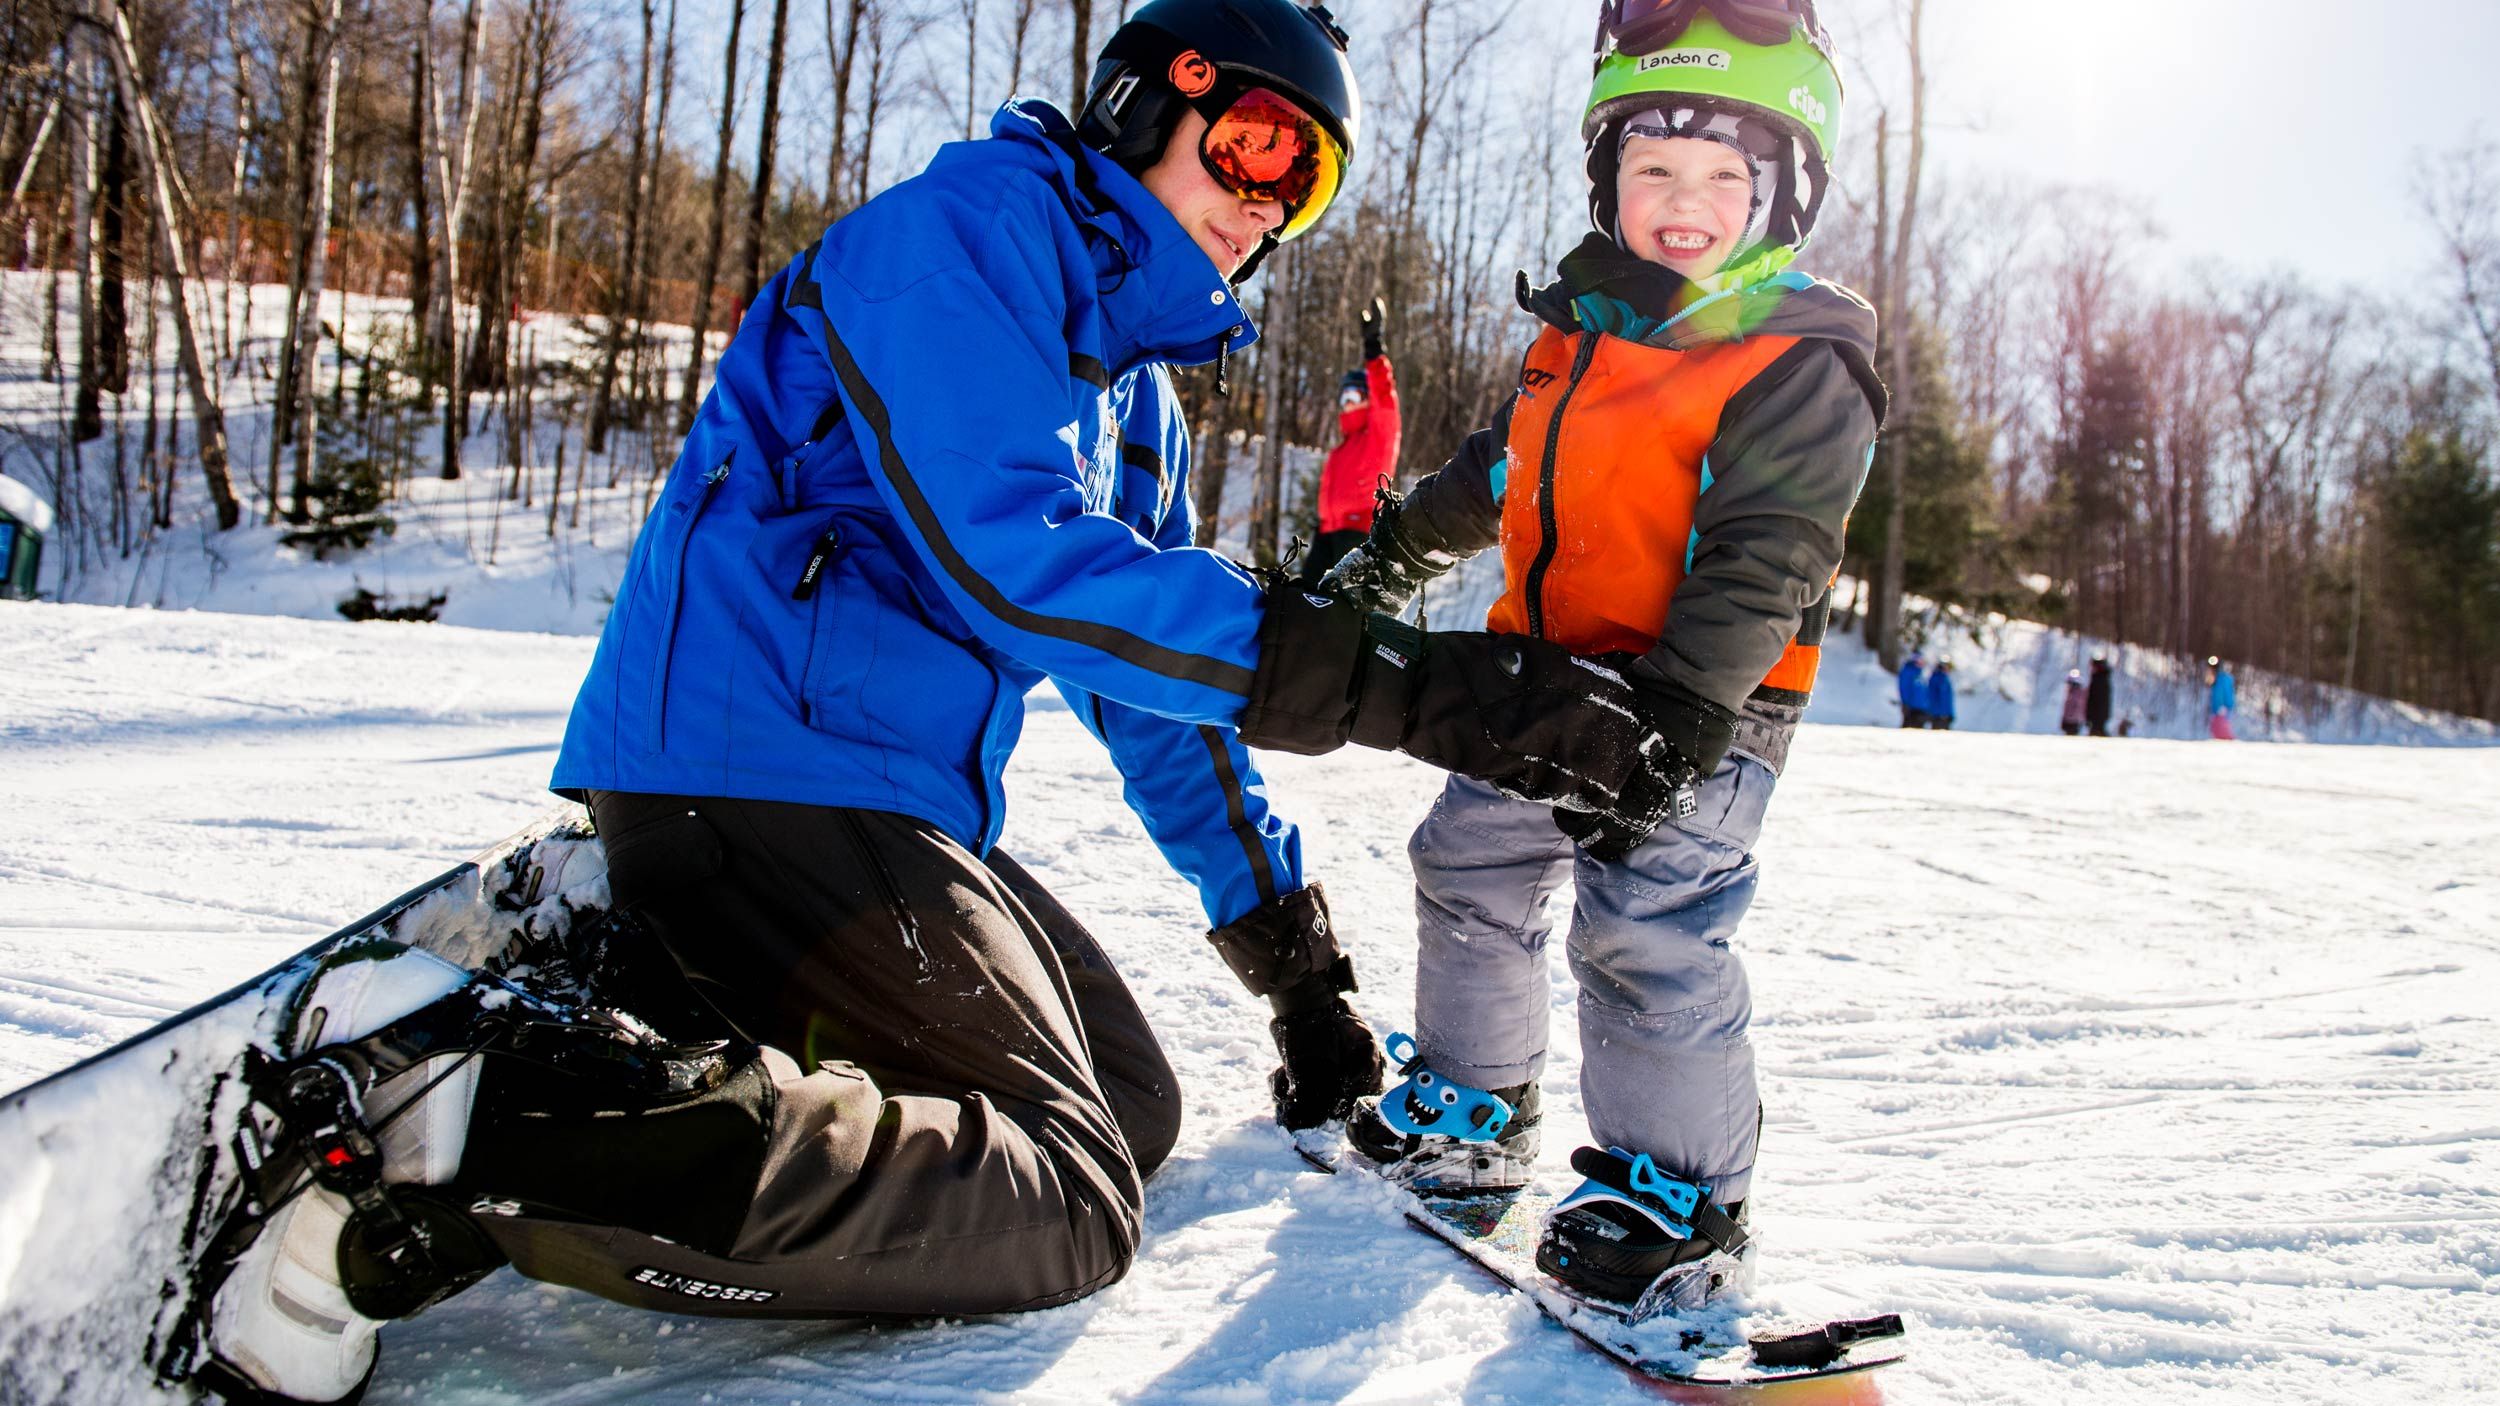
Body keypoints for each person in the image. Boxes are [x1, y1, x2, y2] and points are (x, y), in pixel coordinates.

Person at [199, 5, 1709, 1401]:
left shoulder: (1136, 395)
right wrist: (1418, 686)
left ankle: (655, 993)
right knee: (1066, 1199)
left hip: (878, 798)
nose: (1263, 203)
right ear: (1144, 99)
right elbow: (1025, 569)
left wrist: (1294, 965)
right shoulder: (966, 239)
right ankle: (489, 1130)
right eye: (1255, 144)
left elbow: (1155, 703)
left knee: (1127, 1104)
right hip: (755, 771)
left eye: (1299, 187)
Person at [1313, 0, 1882, 1312]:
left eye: (1722, 177)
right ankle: (1475, 1101)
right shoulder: (1576, 330)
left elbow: (1772, 544)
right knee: (1466, 864)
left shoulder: (1795, 350)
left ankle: (1677, 1195)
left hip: (1701, 707)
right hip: (1544, 685)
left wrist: (1686, 702)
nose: (1684, 204)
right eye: (1652, 170)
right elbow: (1493, 472)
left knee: (1647, 926)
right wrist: (1390, 553)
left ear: (1781, 192)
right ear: (1605, 180)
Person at [1301, 296, 1401, 585]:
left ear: (1368, 399)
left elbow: (1385, 396)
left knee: (1338, 615)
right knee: (1303, 606)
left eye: (1354, 397)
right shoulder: (1343, 447)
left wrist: (1374, 348)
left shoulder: (1378, 436)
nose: (1347, 404)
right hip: (1326, 533)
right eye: (1343, 398)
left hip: (1357, 535)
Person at [1897, 649, 1929, 729]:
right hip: (1911, 708)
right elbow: (1904, 688)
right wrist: (1905, 703)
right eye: (1919, 659)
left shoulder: (1920, 672)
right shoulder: (1907, 671)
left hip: (1921, 708)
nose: (1921, 661)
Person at [2208, 656, 2237, 740]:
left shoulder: (2221, 679)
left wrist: (2222, 706)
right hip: (2221, 708)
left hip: (2222, 709)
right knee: (2218, 730)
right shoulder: (2221, 678)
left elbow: (2222, 694)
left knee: (2221, 731)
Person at [2086, 653, 2115, 738]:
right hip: (2097, 712)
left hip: (2098, 712)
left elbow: (2099, 699)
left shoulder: (2100, 678)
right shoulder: (2099, 677)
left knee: (2098, 731)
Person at [1925, 657, 1957, 730]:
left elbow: (1948, 699)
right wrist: (1939, 713)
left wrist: (1950, 714)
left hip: (1945, 715)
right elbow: (1934, 697)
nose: (1948, 669)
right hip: (1938, 716)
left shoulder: (1945, 679)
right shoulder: (1937, 678)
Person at [2060, 668, 2087, 736]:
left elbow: (2078, 708)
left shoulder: (2079, 694)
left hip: (2074, 721)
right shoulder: (2069, 693)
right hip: (2070, 720)